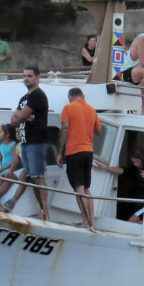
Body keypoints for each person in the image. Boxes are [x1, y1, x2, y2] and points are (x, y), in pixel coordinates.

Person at [9, 67, 51, 220]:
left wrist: (21, 116)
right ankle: (41, 211)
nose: (26, 78)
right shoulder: (23, 98)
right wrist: (22, 116)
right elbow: (13, 120)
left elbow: (20, 115)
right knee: (33, 177)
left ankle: (46, 214)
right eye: (24, 76)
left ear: (38, 78)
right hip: (25, 142)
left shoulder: (38, 96)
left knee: (38, 176)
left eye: (30, 76)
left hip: (36, 141)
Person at [57, 87, 101, 228]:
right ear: (83, 96)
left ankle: (85, 221)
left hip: (74, 151)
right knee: (86, 188)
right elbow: (98, 130)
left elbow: (64, 129)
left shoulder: (68, 108)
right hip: (88, 151)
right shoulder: (92, 109)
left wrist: (59, 152)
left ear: (70, 97)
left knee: (78, 188)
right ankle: (92, 221)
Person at [95, 149, 144, 222]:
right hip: (136, 202)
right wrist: (105, 167)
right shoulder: (134, 169)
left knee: (131, 221)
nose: (135, 164)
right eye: (133, 162)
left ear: (143, 159)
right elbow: (121, 170)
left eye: (137, 161)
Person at [0, 123, 21, 204]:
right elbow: (0, 160)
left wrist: (4, 169)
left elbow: (15, 160)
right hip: (2, 171)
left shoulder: (13, 145)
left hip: (9, 170)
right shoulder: (1, 146)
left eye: (0, 132)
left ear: (7, 135)